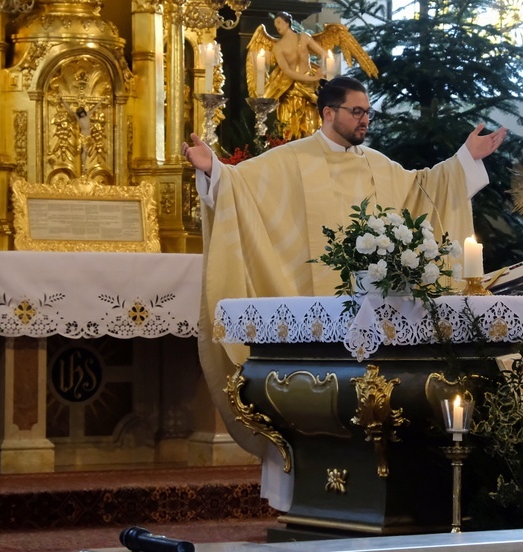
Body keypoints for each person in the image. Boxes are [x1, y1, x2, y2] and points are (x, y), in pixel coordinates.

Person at [183, 76, 506, 511]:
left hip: (376, 329)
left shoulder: (378, 165)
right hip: (317, 325)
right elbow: (240, 188)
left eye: (368, 112)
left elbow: (425, 189)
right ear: (328, 113)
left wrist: (465, 159)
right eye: (356, 112)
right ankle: (306, 502)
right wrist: (214, 170)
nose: (364, 120)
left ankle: (373, 499)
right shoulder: (290, 160)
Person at [264, 11, 327, 139]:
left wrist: (321, 70)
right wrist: (312, 78)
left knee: (311, 129)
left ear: (287, 23)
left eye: (279, 22)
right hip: (291, 90)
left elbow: (324, 54)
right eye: (275, 24)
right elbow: (287, 71)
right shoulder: (278, 47)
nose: (277, 26)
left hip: (310, 90)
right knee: (290, 131)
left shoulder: (304, 37)